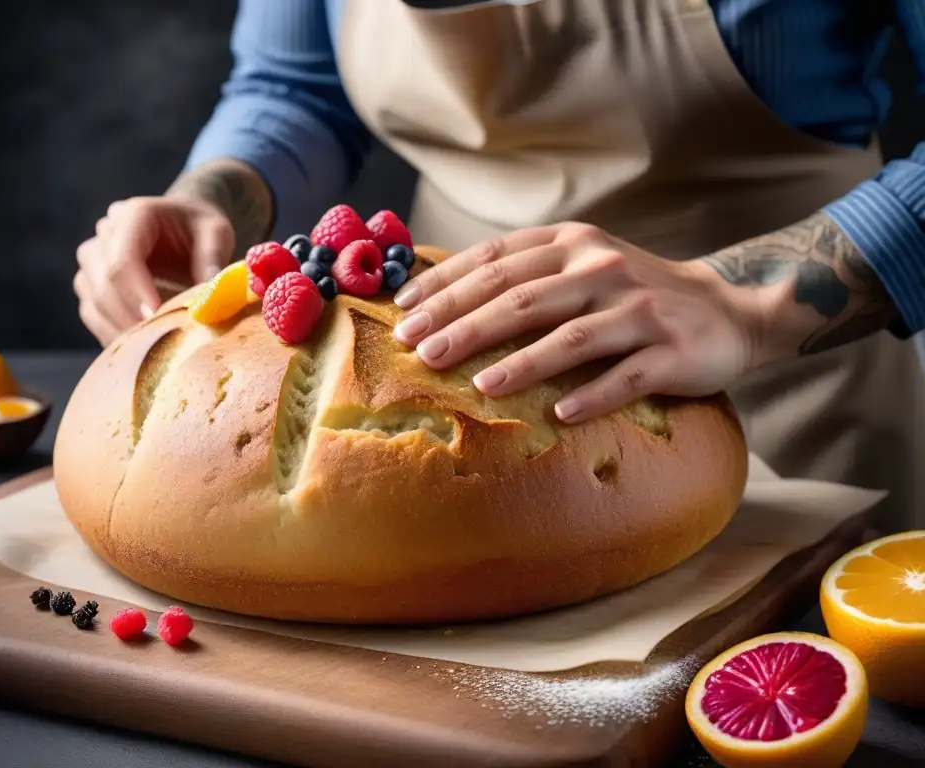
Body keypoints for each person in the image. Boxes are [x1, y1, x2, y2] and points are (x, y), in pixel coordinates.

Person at [74, 0, 924, 529]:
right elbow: (295, 88)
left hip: (799, 391)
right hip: (450, 398)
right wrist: (212, 196)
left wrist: (739, 302)